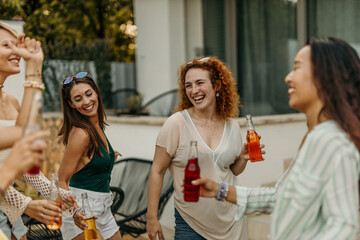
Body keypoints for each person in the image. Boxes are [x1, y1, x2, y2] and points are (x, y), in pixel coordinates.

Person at [192, 37, 360, 239]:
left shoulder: (332, 141)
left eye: (297, 68)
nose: (288, 77)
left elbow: (344, 226)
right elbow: (281, 196)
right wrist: (220, 190)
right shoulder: (315, 137)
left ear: (324, 78)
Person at [147, 56, 262, 240]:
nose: (194, 91)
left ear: (217, 86)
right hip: (191, 223)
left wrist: (243, 158)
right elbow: (157, 171)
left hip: (232, 222)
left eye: (200, 83)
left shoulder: (231, 125)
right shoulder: (176, 124)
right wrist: (151, 218)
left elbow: (232, 171)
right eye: (188, 85)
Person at [0, 21, 65, 240]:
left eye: (16, 44)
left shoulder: (12, 101)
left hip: (7, 209)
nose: (16, 51)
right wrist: (25, 203)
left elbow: (25, 148)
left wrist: (57, 194)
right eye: (7, 45)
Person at [58, 72, 122, 240]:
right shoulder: (82, 133)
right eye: (78, 99)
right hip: (82, 210)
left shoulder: (96, 126)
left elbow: (86, 161)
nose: (86, 102)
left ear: (96, 93)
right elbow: (62, 179)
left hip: (103, 207)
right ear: (71, 104)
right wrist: (74, 211)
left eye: (89, 94)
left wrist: (108, 157)